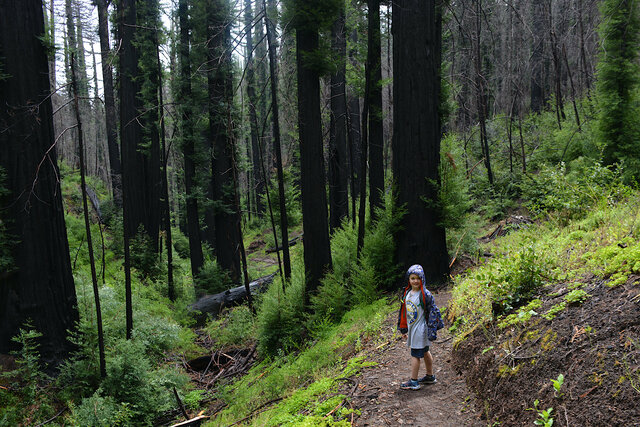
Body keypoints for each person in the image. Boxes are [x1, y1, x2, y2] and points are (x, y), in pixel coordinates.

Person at [397, 264, 438, 390]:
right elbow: (403, 312)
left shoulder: (424, 294)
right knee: (425, 351)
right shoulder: (407, 293)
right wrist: (403, 328)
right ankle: (430, 376)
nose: (415, 281)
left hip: (420, 330)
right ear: (409, 279)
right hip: (412, 328)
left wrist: (432, 329)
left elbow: (432, 312)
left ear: (422, 279)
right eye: (412, 278)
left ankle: (414, 381)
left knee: (415, 355)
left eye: (418, 278)